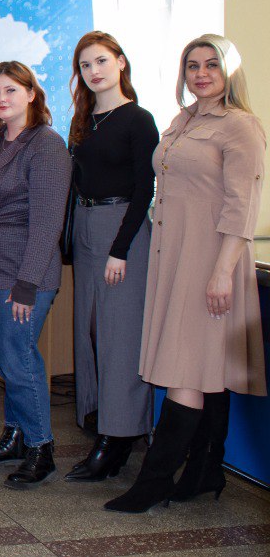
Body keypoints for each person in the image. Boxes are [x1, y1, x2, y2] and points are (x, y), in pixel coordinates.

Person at [106, 34, 267, 513]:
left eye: (212, 65)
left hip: (211, 259)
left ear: (229, 72)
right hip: (175, 257)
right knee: (205, 366)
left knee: (185, 367)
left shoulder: (241, 127)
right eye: (193, 65)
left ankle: (154, 480)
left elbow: (242, 207)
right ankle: (204, 470)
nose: (201, 74)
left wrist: (222, 273)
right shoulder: (183, 120)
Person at [0, 62, 71, 489]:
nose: (2, 99)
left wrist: (27, 285)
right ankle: (14, 435)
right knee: (7, 358)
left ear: (31, 93)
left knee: (20, 358)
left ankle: (40, 447)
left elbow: (47, 223)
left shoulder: (46, 145)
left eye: (11, 90)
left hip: (26, 274)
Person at [64, 31, 160, 484]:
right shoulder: (84, 120)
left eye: (101, 60)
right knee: (88, 330)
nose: (94, 71)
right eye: (85, 65)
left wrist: (119, 250)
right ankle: (98, 417)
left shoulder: (138, 119)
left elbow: (145, 189)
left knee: (120, 335)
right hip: (86, 226)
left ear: (121, 62)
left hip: (123, 229)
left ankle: (118, 437)